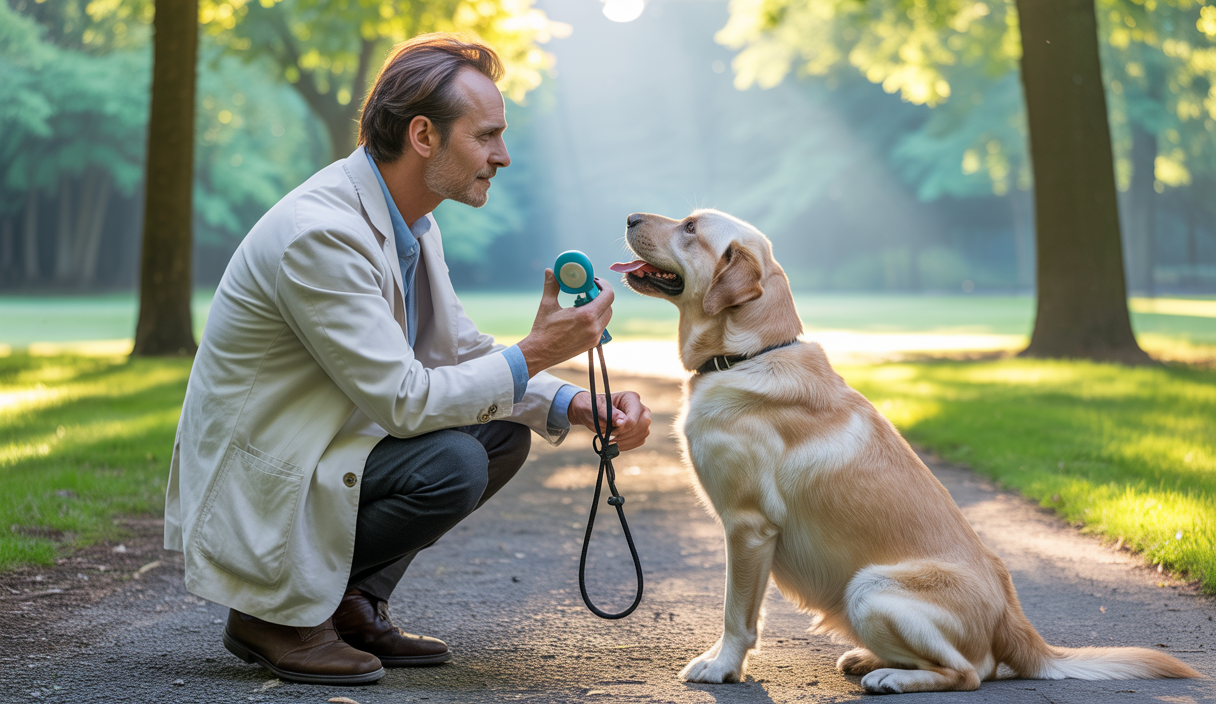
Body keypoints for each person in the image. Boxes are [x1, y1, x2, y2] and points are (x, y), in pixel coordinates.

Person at [163, 33, 652, 686]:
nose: (502, 156)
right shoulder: (323, 235)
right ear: (424, 135)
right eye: (486, 136)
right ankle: (270, 614)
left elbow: (460, 353)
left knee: (503, 429)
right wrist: (537, 350)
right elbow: (405, 400)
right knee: (452, 462)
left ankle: (350, 602)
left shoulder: (412, 222)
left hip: (325, 448)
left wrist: (574, 402)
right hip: (266, 481)